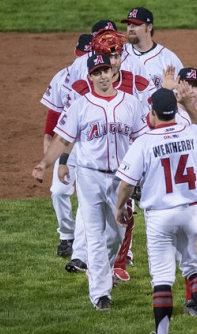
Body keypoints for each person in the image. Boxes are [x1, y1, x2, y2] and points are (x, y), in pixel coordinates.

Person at [32, 54, 147, 310]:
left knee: (117, 235)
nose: (103, 75)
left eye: (106, 70)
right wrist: (44, 164)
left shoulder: (131, 103)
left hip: (121, 177)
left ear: (113, 72)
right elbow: (62, 140)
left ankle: (99, 274)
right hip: (89, 176)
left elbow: (142, 140)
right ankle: (100, 294)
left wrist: (143, 172)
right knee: (94, 235)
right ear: (90, 76)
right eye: (98, 72)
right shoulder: (80, 106)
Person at [113, 87, 197, 334]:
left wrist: (119, 207)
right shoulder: (192, 132)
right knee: (196, 269)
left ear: (153, 113)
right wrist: (190, 107)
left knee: (162, 277)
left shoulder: (144, 142)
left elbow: (126, 184)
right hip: (192, 212)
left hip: (160, 217)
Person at [40, 33, 92, 261]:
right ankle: (66, 235)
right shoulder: (62, 77)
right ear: (76, 52)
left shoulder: (101, 79)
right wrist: (49, 151)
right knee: (59, 192)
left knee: (88, 197)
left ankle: (86, 244)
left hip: (90, 146)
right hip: (66, 144)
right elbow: (53, 117)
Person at [121, 7, 182, 91]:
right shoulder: (119, 54)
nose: (131, 28)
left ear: (149, 27)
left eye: (136, 24)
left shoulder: (168, 58)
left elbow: (182, 93)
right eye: (129, 24)